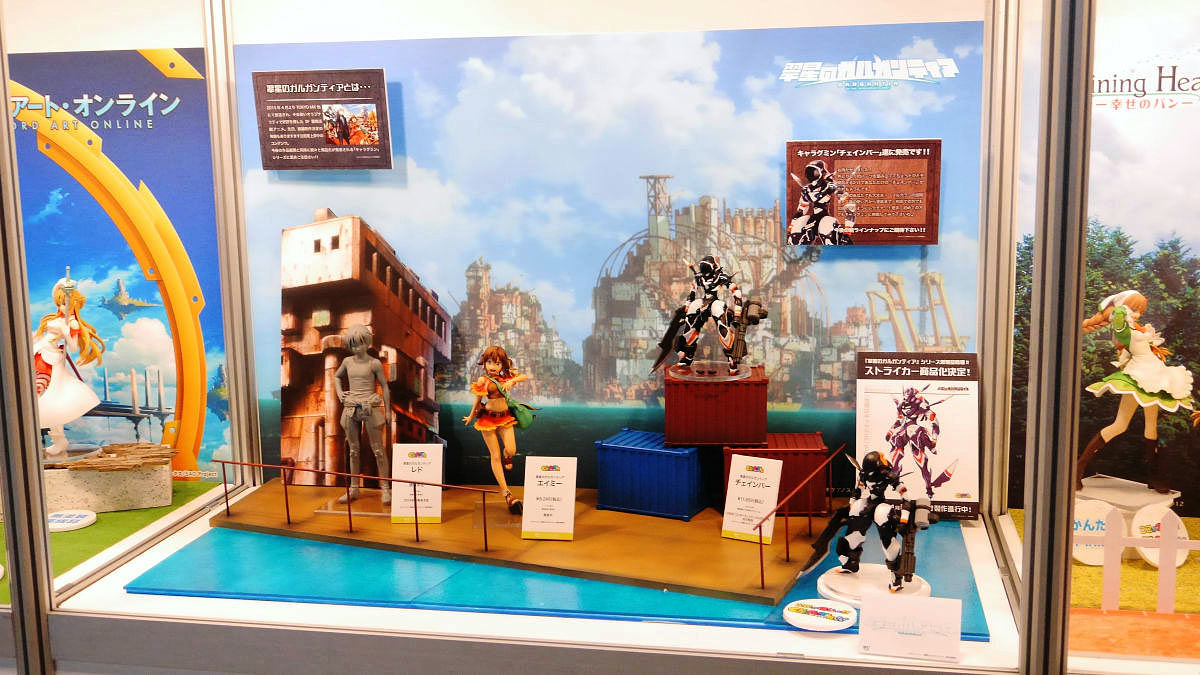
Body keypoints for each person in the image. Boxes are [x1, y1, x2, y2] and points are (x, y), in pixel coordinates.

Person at [1079, 290, 1195, 492]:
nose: (1138, 314)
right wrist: (1118, 307)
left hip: (1155, 377)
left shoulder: (1137, 328)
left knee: (1151, 427)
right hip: (1138, 378)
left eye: (1140, 310)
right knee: (1120, 425)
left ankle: (1154, 476)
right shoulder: (1122, 327)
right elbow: (1119, 318)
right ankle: (1078, 468)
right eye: (1134, 309)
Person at [32, 269, 105, 457]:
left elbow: (72, 346)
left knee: (51, 396)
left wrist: (66, 333)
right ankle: (57, 439)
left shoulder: (71, 323)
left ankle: (58, 439)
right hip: (41, 352)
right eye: (60, 303)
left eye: (65, 303)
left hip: (51, 359)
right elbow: (43, 333)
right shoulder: (56, 317)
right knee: (41, 395)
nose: (62, 306)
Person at [462, 345, 528, 514]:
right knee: (495, 455)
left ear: (502, 365)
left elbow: (525, 376)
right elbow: (477, 400)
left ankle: (508, 456)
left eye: (497, 363)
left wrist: (512, 381)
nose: (493, 366)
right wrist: (470, 415)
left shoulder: (505, 377)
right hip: (488, 419)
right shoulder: (483, 380)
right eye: (490, 362)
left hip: (505, 418)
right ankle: (507, 494)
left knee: (511, 450)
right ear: (484, 363)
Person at [335, 324, 392, 505]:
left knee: (378, 450)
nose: (356, 348)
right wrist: (340, 393)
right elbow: (337, 377)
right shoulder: (347, 362)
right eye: (353, 345)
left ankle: (385, 489)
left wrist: (387, 410)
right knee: (353, 450)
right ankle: (353, 489)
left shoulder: (374, 363)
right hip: (351, 408)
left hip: (370, 407)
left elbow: (385, 386)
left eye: (359, 344)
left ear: (367, 343)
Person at [787, 160, 856, 246]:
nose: (811, 174)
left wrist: (848, 230)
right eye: (810, 172)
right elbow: (801, 210)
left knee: (828, 231)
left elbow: (850, 207)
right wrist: (790, 229)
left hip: (824, 219)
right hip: (812, 220)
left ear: (822, 173)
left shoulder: (830, 186)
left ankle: (840, 250)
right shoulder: (807, 190)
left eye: (814, 172)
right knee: (795, 236)